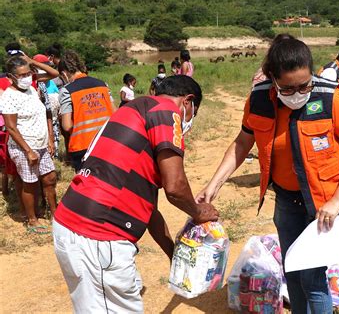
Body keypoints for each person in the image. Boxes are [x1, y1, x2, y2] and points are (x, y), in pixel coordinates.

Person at [196, 39, 339, 313]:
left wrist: (337, 201)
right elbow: (242, 143)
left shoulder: (329, 98)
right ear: (272, 78)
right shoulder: (258, 100)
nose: (298, 93)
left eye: (304, 85)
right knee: (293, 270)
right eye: (287, 88)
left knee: (311, 278)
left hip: (324, 204)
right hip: (287, 200)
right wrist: (214, 183)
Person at [53, 75, 219, 313]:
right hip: (100, 234)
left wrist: (174, 255)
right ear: (188, 102)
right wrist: (198, 211)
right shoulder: (166, 111)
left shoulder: (134, 109)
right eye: (194, 113)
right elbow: (175, 186)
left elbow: (149, 209)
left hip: (72, 224)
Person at [0, 56, 58, 233]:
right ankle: (32, 220)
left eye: (28, 73)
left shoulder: (31, 88)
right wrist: (28, 151)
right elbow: (10, 127)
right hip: (24, 147)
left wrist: (33, 63)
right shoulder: (9, 96)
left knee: (50, 179)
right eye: (22, 74)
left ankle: (56, 215)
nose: (27, 77)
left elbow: (54, 73)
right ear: (12, 76)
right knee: (30, 183)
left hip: (41, 144)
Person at [58, 50, 115, 172]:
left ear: (64, 73)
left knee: (88, 187)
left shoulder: (67, 91)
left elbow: (67, 126)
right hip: (108, 141)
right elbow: (115, 113)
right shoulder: (102, 85)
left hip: (83, 146)